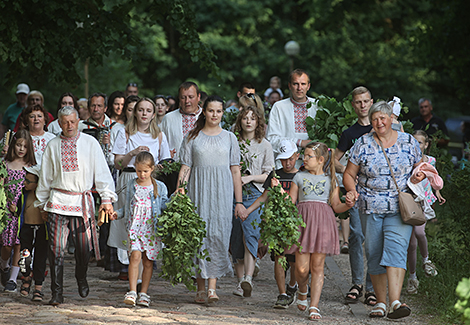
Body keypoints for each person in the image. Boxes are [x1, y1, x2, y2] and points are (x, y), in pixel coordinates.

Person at [343, 101, 424, 319]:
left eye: (383, 118)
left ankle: (395, 302)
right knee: (375, 252)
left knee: (396, 250)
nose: (379, 122)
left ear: (391, 119)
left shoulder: (408, 142)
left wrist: (419, 176)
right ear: (371, 121)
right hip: (370, 207)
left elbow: (422, 167)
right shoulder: (363, 143)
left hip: (401, 207)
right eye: (375, 119)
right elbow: (349, 174)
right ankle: (380, 302)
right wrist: (352, 191)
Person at [34, 106, 116, 305]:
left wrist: (106, 198)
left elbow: (102, 172)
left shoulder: (90, 143)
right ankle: (57, 293)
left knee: (83, 249)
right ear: (59, 123)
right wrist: (42, 204)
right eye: (65, 122)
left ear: (78, 121)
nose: (69, 125)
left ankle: (81, 276)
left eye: (72, 121)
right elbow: (45, 177)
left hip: (81, 203)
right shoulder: (52, 145)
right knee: (56, 250)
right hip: (57, 203)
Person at [177, 95, 245, 303]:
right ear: (203, 112)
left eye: (218, 111)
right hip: (198, 191)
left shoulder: (230, 138)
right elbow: (186, 167)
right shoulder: (192, 137)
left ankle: (212, 288)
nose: (214, 115)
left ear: (223, 113)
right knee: (198, 236)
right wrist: (180, 191)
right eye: (211, 110)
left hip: (222, 194)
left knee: (217, 235)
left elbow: (235, 171)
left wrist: (239, 201)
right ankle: (199, 286)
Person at [284, 142, 354, 320]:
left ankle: (314, 306)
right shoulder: (299, 177)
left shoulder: (331, 180)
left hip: (323, 223)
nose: (304, 159)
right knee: (300, 269)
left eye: (309, 156)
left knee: (317, 267)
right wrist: (280, 195)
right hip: (302, 222)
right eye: (304, 156)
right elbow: (291, 202)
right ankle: (302, 289)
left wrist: (347, 203)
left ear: (321, 160)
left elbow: (335, 205)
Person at [108, 98, 170, 277]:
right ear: (135, 112)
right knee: (129, 221)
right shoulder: (126, 133)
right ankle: (128, 268)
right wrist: (132, 153)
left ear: (153, 114)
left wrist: (156, 167)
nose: (144, 114)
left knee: (148, 223)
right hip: (129, 176)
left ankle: (144, 268)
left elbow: (164, 162)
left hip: (151, 181)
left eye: (148, 111)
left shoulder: (158, 135)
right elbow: (118, 163)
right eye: (141, 110)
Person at [241, 139, 300, 309]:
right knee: (279, 259)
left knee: (295, 261)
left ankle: (292, 285)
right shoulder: (275, 176)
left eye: (290, 158)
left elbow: (296, 202)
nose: (287, 163)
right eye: (283, 159)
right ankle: (282, 294)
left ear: (296, 156)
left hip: (295, 225)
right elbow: (263, 198)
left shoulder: (300, 176)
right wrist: (248, 211)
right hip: (277, 225)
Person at [334, 86, 376, 306]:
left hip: (378, 194)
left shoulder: (380, 129)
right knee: (356, 236)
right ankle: (357, 283)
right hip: (355, 192)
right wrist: (347, 171)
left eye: (366, 101)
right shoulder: (349, 134)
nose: (362, 105)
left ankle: (372, 288)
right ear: (353, 105)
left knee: (373, 240)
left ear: (372, 102)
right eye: (358, 102)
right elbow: (334, 159)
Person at [112, 152, 169, 307]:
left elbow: (165, 206)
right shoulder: (132, 185)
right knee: (135, 257)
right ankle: (132, 292)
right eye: (139, 171)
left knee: (148, 261)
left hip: (151, 229)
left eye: (145, 171)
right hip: (135, 228)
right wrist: (117, 214)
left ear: (152, 169)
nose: (142, 174)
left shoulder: (159, 187)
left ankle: (144, 293)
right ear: (135, 169)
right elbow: (127, 206)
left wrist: (176, 199)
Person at [230, 106, 274, 298]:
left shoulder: (264, 144)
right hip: (232, 193)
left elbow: (270, 174)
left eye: (252, 118)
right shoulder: (233, 142)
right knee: (235, 237)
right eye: (245, 118)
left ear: (258, 123)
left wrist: (250, 177)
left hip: (254, 194)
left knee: (251, 235)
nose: (248, 121)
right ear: (239, 121)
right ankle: (240, 282)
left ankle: (248, 277)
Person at [406, 130, 444, 294]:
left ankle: (426, 260)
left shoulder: (431, 161)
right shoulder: (407, 160)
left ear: (426, 144)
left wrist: (438, 193)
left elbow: (434, 180)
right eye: (414, 142)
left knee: (420, 232)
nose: (417, 145)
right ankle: (412, 278)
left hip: (425, 202)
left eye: (420, 142)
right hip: (411, 202)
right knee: (412, 243)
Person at [0, 130, 36, 292]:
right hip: (7, 211)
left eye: (25, 146)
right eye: (18, 145)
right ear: (13, 145)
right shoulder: (5, 164)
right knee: (7, 244)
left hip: (21, 212)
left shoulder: (31, 168)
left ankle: (13, 279)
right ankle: (4, 265)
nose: (21, 149)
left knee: (19, 244)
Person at [266, 69, 318, 169]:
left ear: (308, 86)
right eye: (295, 84)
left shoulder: (318, 106)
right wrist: (299, 142)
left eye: (303, 84)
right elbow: (271, 139)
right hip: (285, 166)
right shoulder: (279, 107)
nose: (299, 88)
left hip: (313, 166)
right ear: (289, 86)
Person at [17, 165, 48, 301]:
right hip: (27, 229)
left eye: (28, 181)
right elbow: (18, 211)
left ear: (38, 183)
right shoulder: (23, 195)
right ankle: (26, 276)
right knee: (25, 257)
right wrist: (14, 209)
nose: (25, 183)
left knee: (40, 259)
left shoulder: (45, 197)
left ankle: (38, 288)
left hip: (42, 230)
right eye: (25, 180)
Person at [161, 82, 202, 158]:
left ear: (198, 97)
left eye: (191, 97)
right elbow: (159, 143)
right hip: (175, 166)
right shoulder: (168, 118)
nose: (187, 101)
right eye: (183, 97)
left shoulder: (207, 116)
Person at [79, 93, 118, 166]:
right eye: (93, 106)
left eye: (99, 106)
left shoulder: (116, 128)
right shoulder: (80, 127)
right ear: (88, 107)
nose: (96, 109)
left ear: (105, 108)